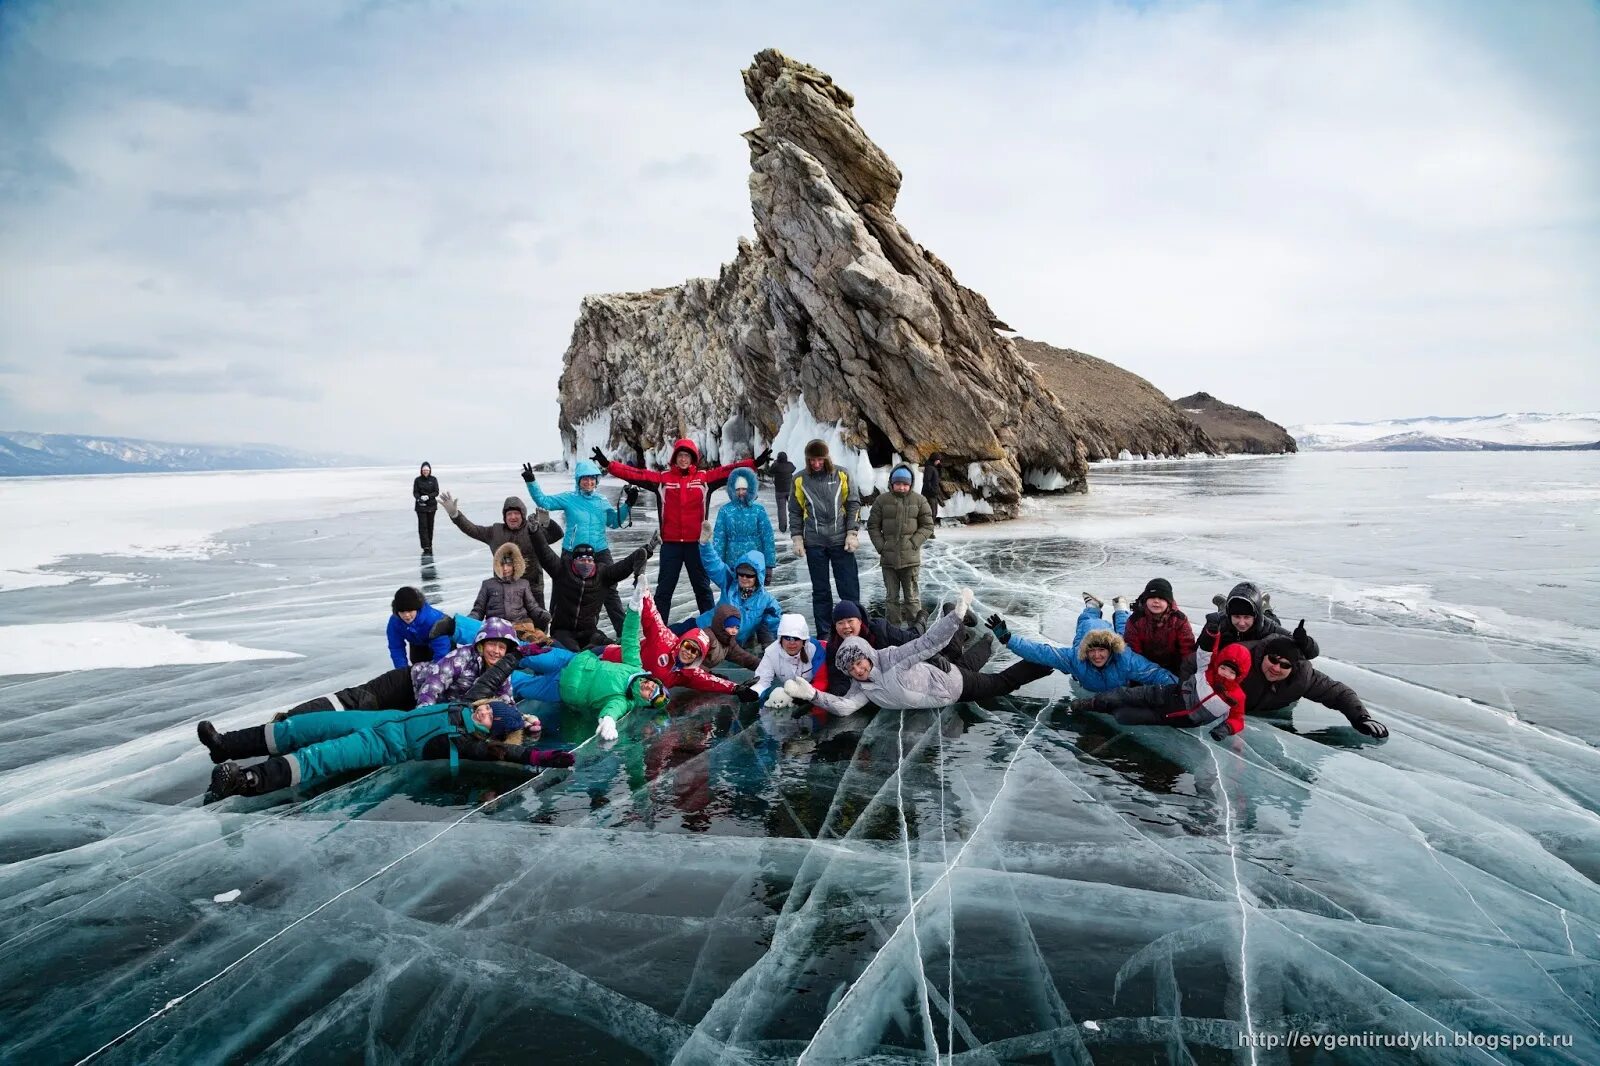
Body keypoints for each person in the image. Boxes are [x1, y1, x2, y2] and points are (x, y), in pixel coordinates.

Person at [199, 697, 576, 799]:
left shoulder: (465, 743)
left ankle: (246, 780)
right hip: (377, 718)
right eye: (487, 708)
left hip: (381, 743)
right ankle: (225, 745)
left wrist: (542, 756)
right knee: (299, 726)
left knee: (319, 757)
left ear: (491, 731)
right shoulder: (464, 707)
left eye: (490, 716)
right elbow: (493, 675)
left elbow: (510, 754)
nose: (483, 710)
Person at [783, 589, 1050, 714]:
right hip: (944, 688)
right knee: (964, 660)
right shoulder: (860, 684)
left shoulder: (888, 655)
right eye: (853, 668)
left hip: (950, 680)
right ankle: (986, 642)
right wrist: (813, 695)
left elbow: (922, 643)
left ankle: (1044, 662)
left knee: (997, 682)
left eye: (860, 663)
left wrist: (955, 618)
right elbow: (844, 705)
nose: (859, 670)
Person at [594, 437, 768, 618]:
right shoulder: (663, 479)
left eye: (687, 456)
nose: (683, 459)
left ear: (693, 459)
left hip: (696, 545)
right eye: (680, 455)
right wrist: (609, 464)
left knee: (702, 589)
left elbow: (728, 471)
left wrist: (753, 464)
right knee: (664, 591)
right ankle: (659, 632)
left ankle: (708, 631)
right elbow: (637, 474)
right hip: (671, 545)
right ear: (675, 458)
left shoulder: (703, 479)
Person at [508, 586, 669, 742]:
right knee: (526, 652)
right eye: (653, 686)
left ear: (645, 703)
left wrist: (608, 721)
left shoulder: (624, 701)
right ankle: (489, 640)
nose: (649, 687)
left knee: (518, 683)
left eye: (651, 694)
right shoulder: (635, 667)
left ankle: (486, 674)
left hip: (562, 687)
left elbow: (612, 710)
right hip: (572, 660)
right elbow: (630, 638)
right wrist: (634, 609)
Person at [280, 617, 520, 716]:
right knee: (360, 701)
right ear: (481, 643)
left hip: (412, 701)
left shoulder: (501, 672)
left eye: (502, 647)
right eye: (493, 644)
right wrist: (423, 717)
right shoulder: (462, 656)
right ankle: (291, 717)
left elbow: (506, 700)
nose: (496, 651)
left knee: (371, 719)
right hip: (405, 683)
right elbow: (434, 685)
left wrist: (523, 720)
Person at [985, 594, 1177, 693]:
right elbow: (1041, 653)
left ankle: (1121, 608)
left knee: (1123, 633)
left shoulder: (1124, 659)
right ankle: (1092, 606)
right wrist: (1008, 639)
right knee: (1086, 624)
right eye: (1092, 652)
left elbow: (1155, 673)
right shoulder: (1076, 658)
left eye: (1102, 651)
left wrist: (1180, 689)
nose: (1097, 656)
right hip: (1087, 633)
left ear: (1110, 651)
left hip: (1110, 636)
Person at [1068, 642, 1253, 741]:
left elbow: (1238, 719)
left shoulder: (1237, 697)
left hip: (1175, 719)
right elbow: (1206, 650)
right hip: (1166, 694)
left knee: (1124, 716)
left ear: (1239, 675)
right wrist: (1213, 628)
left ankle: (1103, 708)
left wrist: (1226, 728)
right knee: (1125, 695)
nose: (1226, 674)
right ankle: (1090, 703)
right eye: (1224, 668)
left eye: (1232, 672)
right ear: (1218, 665)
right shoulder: (1207, 671)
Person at [522, 460, 625, 633]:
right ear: (578, 480)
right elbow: (544, 501)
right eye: (584, 479)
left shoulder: (602, 501)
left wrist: (628, 504)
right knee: (561, 590)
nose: (589, 482)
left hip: (599, 551)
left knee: (610, 590)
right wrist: (531, 481)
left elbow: (615, 522)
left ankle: (623, 634)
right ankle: (553, 633)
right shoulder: (569, 498)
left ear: (597, 480)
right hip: (571, 553)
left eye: (592, 479)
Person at [600, 593, 758, 700]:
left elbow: (710, 681)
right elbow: (652, 615)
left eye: (695, 652)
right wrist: (643, 589)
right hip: (607, 659)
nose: (689, 653)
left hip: (623, 685)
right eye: (688, 646)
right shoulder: (664, 640)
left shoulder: (689, 673)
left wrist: (736, 689)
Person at [526, 522, 657, 651]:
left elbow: (624, 566)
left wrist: (648, 549)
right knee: (573, 652)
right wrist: (535, 532)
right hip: (563, 631)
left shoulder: (603, 574)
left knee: (612, 648)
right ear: (574, 561)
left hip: (589, 631)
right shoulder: (562, 570)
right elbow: (545, 554)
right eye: (582, 559)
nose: (586, 563)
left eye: (589, 560)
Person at [1236, 633, 1389, 737]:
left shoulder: (1301, 678)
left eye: (1285, 665)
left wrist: (1361, 717)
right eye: (1273, 660)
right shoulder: (1239, 662)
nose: (1276, 668)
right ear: (1263, 656)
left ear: (1294, 668)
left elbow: (1338, 693)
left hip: (1270, 711)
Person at [439, 491, 563, 611]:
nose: (513, 517)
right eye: (509, 514)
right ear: (504, 516)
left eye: (516, 513)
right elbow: (472, 529)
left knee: (538, 626)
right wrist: (456, 515)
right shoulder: (495, 532)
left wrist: (548, 523)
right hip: (504, 589)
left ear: (523, 514)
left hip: (533, 588)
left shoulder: (533, 530)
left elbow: (557, 534)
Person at [789, 439, 861, 637]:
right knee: (821, 592)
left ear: (826, 457)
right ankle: (825, 634)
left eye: (820, 459)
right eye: (812, 460)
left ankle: (856, 632)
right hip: (815, 543)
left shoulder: (842, 474)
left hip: (841, 542)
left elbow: (853, 503)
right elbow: (795, 511)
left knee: (849, 589)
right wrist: (797, 537)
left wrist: (852, 533)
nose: (816, 464)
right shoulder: (799, 479)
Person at [676, 539, 780, 645]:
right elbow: (714, 564)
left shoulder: (766, 601)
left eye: (749, 575)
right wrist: (705, 544)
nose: (744, 578)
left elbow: (776, 626)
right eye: (741, 573)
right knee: (669, 634)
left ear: (758, 576)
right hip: (702, 626)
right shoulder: (730, 582)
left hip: (726, 644)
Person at [867, 464, 934, 626]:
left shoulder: (919, 500)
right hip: (888, 560)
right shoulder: (882, 501)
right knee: (891, 598)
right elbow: (872, 526)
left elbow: (927, 526)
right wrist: (882, 547)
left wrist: (913, 543)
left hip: (910, 560)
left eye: (905, 484)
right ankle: (894, 629)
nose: (902, 487)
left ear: (910, 485)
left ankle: (916, 630)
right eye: (898, 484)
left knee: (911, 597)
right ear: (892, 483)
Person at [1200, 581, 1319, 659]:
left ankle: (1265, 606)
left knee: (1272, 619)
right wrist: (1208, 634)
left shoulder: (1269, 627)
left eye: (1247, 617)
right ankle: (1223, 604)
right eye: (1236, 617)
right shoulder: (1220, 622)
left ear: (1255, 615)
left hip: (1265, 620)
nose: (1241, 623)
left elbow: (1312, 653)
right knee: (1226, 613)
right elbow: (1197, 652)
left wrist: (1304, 642)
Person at [1117, 578, 1197, 679]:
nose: (1156, 601)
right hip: (1145, 665)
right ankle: (1119, 610)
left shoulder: (1179, 619)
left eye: (1161, 598)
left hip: (1174, 665)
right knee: (1120, 639)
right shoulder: (1135, 620)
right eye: (1152, 597)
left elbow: (1187, 649)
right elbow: (1133, 651)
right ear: (1146, 600)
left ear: (1168, 601)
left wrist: (1186, 675)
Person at [712, 467, 777, 580]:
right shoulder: (725, 511)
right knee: (732, 594)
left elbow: (767, 537)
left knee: (755, 594)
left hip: (755, 561)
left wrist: (769, 565)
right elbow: (719, 539)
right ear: (732, 489)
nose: (741, 492)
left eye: (744, 489)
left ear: (750, 488)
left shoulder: (758, 510)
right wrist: (718, 565)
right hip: (732, 562)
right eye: (737, 489)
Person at [468, 543, 551, 628]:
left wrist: (542, 614)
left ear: (515, 565)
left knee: (538, 638)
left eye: (509, 565)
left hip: (519, 625)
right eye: (502, 565)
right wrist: (470, 619)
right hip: (495, 626)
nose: (505, 569)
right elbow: (479, 610)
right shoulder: (488, 584)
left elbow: (532, 607)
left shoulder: (523, 584)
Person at [750, 613, 824, 700]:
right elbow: (763, 680)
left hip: (813, 692)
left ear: (804, 640)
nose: (791, 643)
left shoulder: (816, 649)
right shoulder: (771, 652)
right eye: (787, 638)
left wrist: (809, 696)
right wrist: (754, 692)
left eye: (796, 638)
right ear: (780, 639)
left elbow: (822, 680)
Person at [386, 586, 450, 669]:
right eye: (402, 611)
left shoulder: (433, 620)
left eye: (410, 610)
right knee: (417, 667)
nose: (406, 615)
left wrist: (437, 672)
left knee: (444, 669)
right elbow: (396, 647)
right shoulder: (395, 622)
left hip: (445, 643)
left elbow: (442, 649)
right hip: (418, 643)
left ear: (417, 608)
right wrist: (402, 672)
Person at [702, 603, 761, 672]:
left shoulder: (728, 642)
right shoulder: (706, 637)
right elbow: (689, 659)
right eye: (731, 626)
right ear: (721, 625)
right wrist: (712, 676)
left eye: (737, 627)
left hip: (700, 674)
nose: (734, 631)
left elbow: (746, 659)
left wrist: (768, 667)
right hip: (692, 674)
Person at [412, 462, 439, 553]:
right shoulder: (417, 480)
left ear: (430, 470)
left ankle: (430, 543)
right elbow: (415, 492)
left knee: (430, 525)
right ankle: (425, 546)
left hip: (431, 506)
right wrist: (419, 499)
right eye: (424, 470)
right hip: (421, 507)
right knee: (423, 526)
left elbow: (436, 492)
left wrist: (428, 496)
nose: (425, 472)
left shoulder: (433, 479)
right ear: (421, 470)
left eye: (427, 470)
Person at [769, 451, 796, 533]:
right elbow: (793, 469)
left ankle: (782, 527)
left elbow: (770, 471)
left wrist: (775, 462)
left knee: (781, 510)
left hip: (779, 491)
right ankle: (795, 526)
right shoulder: (790, 465)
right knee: (793, 509)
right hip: (790, 490)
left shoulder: (776, 466)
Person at [921, 452, 944, 525]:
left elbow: (937, 478)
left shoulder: (933, 468)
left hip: (933, 494)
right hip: (929, 494)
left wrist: (939, 468)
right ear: (934, 460)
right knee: (931, 513)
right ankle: (928, 530)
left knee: (933, 512)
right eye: (937, 460)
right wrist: (932, 491)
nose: (939, 462)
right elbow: (926, 481)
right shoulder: (929, 468)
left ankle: (929, 529)